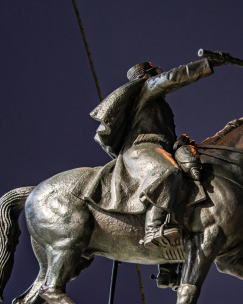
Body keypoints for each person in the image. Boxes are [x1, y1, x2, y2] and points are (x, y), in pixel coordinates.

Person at [90, 56, 228, 248]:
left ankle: (168, 264)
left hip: (162, 149)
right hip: (142, 149)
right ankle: (154, 227)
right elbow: (173, 78)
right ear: (148, 77)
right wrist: (207, 63)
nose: (160, 76)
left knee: (191, 183)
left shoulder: (159, 103)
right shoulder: (145, 89)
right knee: (167, 172)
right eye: (156, 75)